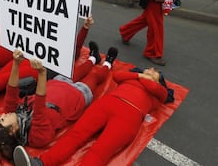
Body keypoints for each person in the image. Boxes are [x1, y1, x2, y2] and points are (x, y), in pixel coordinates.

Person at [0, 43, 118, 161]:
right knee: (94, 76)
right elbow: (40, 107)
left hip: (57, 84)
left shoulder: (14, 113)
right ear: (12, 131)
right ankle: (108, 63)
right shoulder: (37, 137)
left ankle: (93, 58)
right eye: (2, 120)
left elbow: (11, 90)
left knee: (78, 70)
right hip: (76, 97)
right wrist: (41, 74)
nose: (3, 115)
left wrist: (16, 64)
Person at [13, 66, 174, 166]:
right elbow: (117, 76)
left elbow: (160, 91)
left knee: (100, 151)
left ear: (159, 82)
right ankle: (41, 162)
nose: (151, 70)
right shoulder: (135, 78)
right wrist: (139, 76)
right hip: (107, 104)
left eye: (155, 73)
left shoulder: (158, 92)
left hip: (129, 116)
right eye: (150, 69)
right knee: (76, 135)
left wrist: (141, 77)